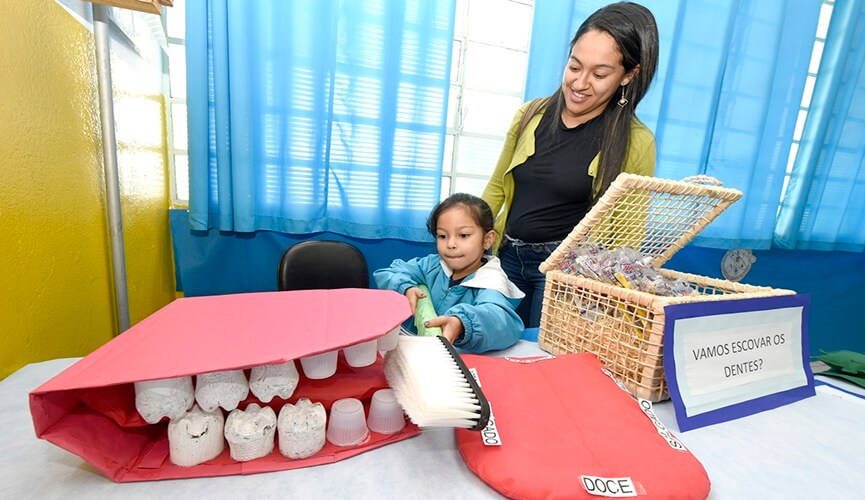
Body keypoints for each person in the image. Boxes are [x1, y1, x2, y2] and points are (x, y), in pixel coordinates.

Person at [482, 2, 659, 328]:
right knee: (491, 344)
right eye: (575, 66)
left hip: (565, 277)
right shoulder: (529, 116)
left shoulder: (636, 141)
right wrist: (470, 240)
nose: (579, 83)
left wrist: (608, 298)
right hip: (506, 257)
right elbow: (495, 189)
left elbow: (628, 237)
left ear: (628, 75)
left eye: (599, 74)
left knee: (545, 354)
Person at [374, 193, 525, 353]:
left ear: (487, 239)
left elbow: (501, 321)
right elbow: (390, 272)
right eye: (443, 236)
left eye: (463, 235)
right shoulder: (431, 265)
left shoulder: (491, 282)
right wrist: (406, 287)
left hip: (455, 359)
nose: (451, 244)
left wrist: (462, 323)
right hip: (411, 348)